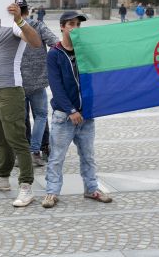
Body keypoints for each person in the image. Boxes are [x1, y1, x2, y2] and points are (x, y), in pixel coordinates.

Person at [42, 11, 112, 209]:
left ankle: (92, 189)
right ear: (62, 27)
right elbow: (56, 87)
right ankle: (52, 192)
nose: (75, 28)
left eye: (78, 25)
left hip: (86, 115)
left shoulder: (84, 51)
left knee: (88, 156)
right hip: (64, 117)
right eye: (71, 24)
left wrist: (90, 49)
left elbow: (99, 68)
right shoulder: (54, 54)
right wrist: (71, 110)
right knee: (57, 157)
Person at [0, 2, 41, 207]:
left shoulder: (14, 25)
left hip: (10, 90)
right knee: (1, 138)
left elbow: (35, 42)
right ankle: (2, 177)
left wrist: (20, 20)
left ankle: (26, 186)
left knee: (17, 139)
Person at [16, 0, 59, 167]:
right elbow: (56, 43)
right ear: (28, 10)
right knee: (40, 116)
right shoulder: (37, 25)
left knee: (22, 118)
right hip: (38, 81)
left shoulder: (10, 27)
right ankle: (36, 151)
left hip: (17, 82)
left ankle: (24, 152)